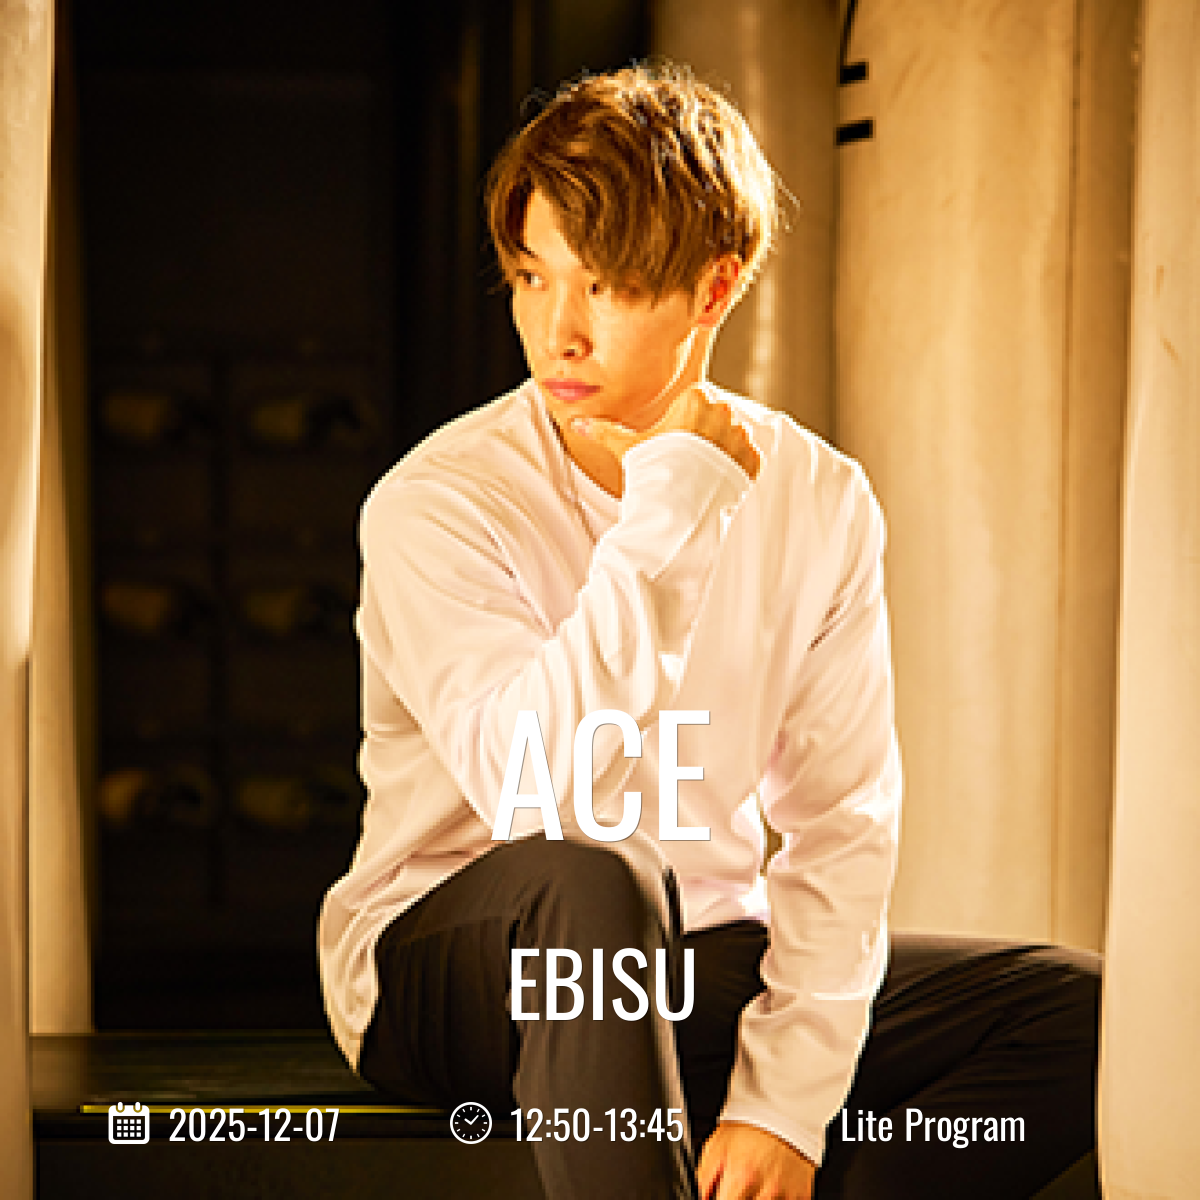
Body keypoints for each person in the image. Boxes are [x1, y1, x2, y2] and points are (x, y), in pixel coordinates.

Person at [318, 64, 1100, 1199]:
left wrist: (783, 1102)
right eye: (533, 278)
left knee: (1082, 1013)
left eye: (608, 287)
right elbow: (542, 793)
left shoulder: (820, 498)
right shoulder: (439, 502)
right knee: (594, 881)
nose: (559, 333)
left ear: (714, 289)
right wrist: (672, 506)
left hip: (696, 963)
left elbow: (840, 825)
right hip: (462, 965)